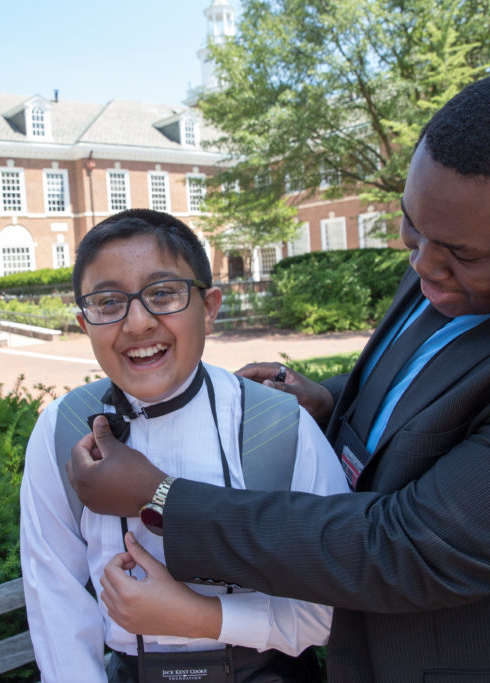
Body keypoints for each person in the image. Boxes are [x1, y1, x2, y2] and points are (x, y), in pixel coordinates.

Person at [69, 68, 490, 681]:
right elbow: (431, 386)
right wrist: (326, 402)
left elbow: (407, 549)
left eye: (460, 255)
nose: (424, 267)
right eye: (412, 227)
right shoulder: (460, 240)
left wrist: (161, 496)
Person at [19, 209, 349, 682]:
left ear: (210, 306)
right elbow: (56, 604)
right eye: (108, 302)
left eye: (163, 293)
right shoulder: (62, 428)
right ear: (83, 322)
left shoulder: (277, 427)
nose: (136, 323)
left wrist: (197, 614)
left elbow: (330, 609)